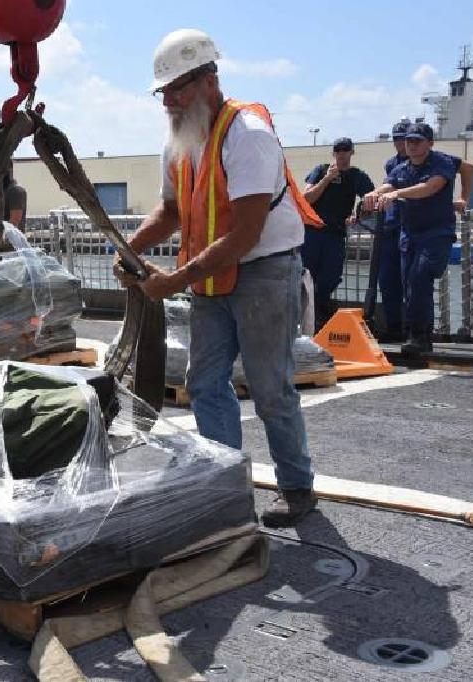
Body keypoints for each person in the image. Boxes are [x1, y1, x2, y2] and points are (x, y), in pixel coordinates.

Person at [115, 28, 322, 528]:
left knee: (270, 387)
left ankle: (297, 487)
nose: (169, 101)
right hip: (212, 276)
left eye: (178, 89)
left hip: (263, 273)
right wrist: (128, 250)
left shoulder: (246, 134)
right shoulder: (179, 142)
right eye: (164, 92)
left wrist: (175, 279)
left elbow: (247, 233)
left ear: (211, 80)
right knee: (204, 382)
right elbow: (169, 210)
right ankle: (224, 481)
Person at [362, 123, 458, 355]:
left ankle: (421, 336)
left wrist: (397, 194)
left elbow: (429, 187)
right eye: (409, 141)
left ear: (430, 143)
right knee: (409, 285)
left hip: (436, 233)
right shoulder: (401, 169)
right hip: (410, 235)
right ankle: (417, 334)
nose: (412, 145)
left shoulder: (441, 163)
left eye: (418, 141)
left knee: (421, 275)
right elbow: (388, 184)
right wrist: (374, 194)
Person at [302, 137, 375, 329]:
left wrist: (358, 215)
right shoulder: (321, 170)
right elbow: (306, 199)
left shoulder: (357, 176)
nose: (342, 154)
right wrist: (326, 179)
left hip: (335, 234)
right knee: (306, 275)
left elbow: (370, 199)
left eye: (346, 150)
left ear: (352, 152)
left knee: (331, 276)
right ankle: (311, 316)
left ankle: (320, 310)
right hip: (312, 232)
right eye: (338, 150)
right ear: (333, 153)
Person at [376, 120, 413, 342]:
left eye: (404, 139)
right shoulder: (392, 165)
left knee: (411, 278)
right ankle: (393, 327)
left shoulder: (425, 163)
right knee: (387, 279)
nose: (400, 143)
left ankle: (413, 329)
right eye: (397, 139)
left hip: (411, 226)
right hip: (390, 226)